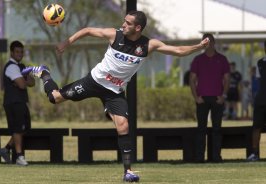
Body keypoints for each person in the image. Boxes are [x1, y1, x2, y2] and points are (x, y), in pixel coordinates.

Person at [22, 11, 209, 182]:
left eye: (128, 23)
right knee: (55, 98)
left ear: (138, 28)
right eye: (124, 21)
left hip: (114, 93)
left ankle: (128, 172)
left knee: (123, 126)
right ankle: (44, 73)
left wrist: (199, 46)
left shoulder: (147, 45)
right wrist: (66, 42)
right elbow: (87, 30)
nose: (123, 25)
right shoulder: (114, 35)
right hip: (93, 82)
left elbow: (177, 51)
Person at [189, 33, 230, 163]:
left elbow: (227, 79)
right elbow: (192, 79)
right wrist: (196, 97)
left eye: (209, 42)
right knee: (201, 129)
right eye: (204, 42)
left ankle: (216, 157)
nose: (207, 44)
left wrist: (223, 96)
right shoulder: (197, 59)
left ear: (213, 43)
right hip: (202, 99)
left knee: (217, 129)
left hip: (217, 98)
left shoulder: (222, 59)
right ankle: (200, 158)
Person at [0, 41, 35, 166]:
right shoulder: (11, 67)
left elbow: (32, 82)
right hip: (13, 102)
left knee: (24, 129)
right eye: (17, 52)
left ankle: (6, 149)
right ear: (12, 52)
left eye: (21, 52)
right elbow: (23, 85)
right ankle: (19, 156)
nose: (20, 54)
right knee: (18, 129)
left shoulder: (22, 66)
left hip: (22, 102)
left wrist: (22, 80)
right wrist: (23, 80)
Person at [247, 40, 266, 161]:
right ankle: (254, 154)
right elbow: (258, 83)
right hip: (261, 100)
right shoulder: (260, 62)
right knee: (256, 127)